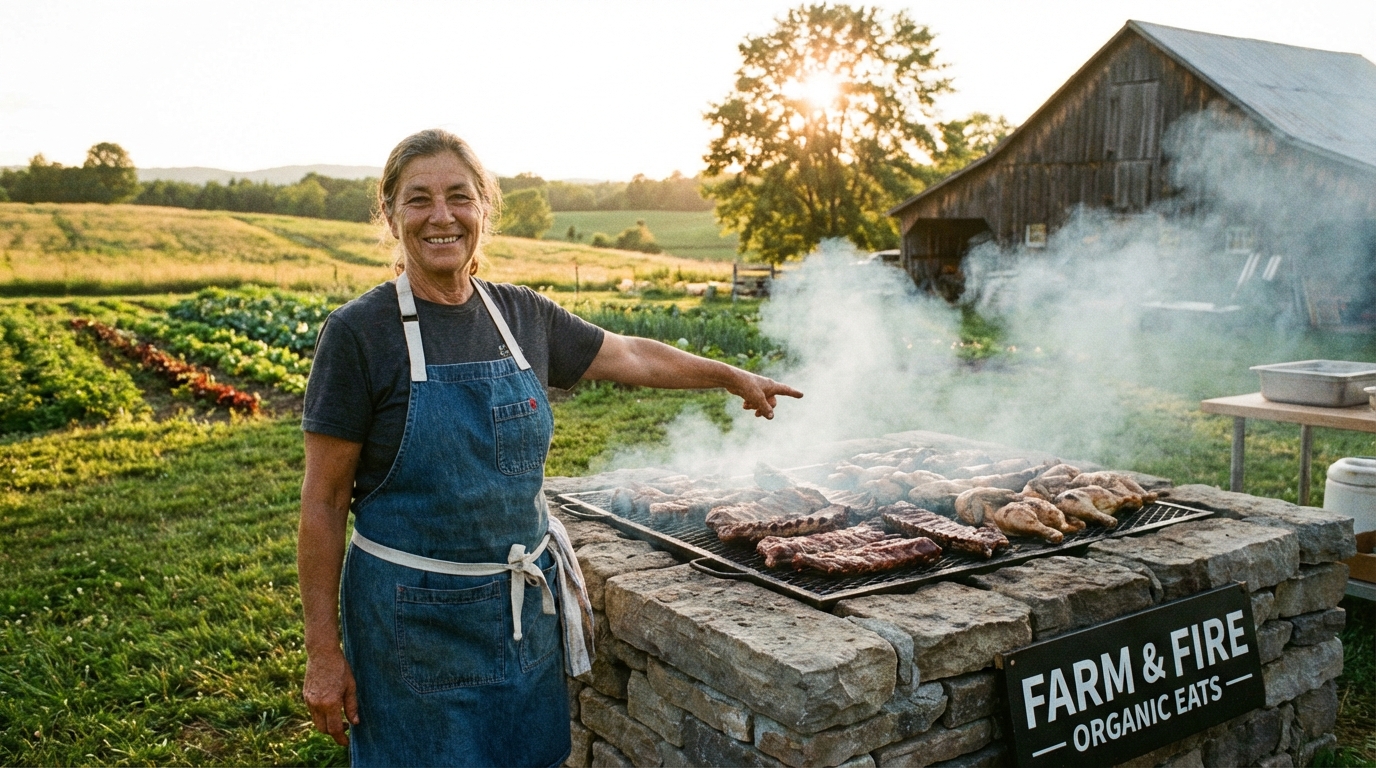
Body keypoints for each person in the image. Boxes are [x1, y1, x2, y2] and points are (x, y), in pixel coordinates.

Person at [297, 128, 802, 767]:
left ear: (483, 208)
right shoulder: (357, 335)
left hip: (520, 619)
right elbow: (323, 502)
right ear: (390, 213)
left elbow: (631, 354)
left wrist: (730, 375)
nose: (442, 216)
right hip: (411, 628)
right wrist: (323, 652)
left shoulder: (521, 316)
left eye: (459, 196)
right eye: (419, 199)